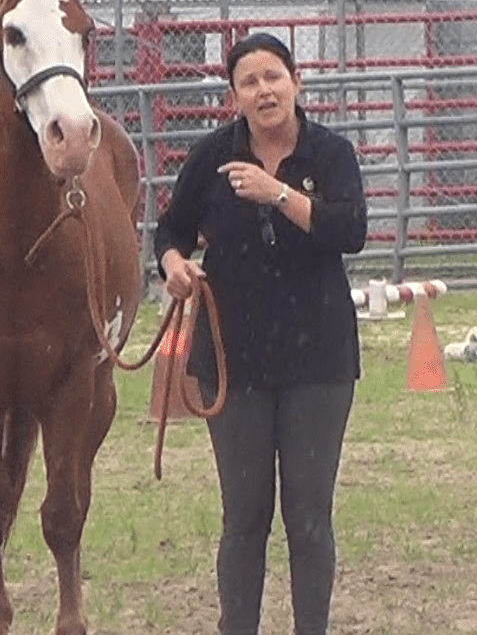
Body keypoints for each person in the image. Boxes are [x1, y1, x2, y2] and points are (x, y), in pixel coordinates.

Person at [155, 32, 367, 635]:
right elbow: (170, 231)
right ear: (234, 96)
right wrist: (174, 267)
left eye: (273, 76)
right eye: (249, 82)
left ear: (296, 82)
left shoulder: (330, 155)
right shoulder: (211, 158)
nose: (264, 90)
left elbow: (350, 230)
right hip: (234, 359)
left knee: (308, 515)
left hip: (318, 362)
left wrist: (279, 195)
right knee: (244, 517)